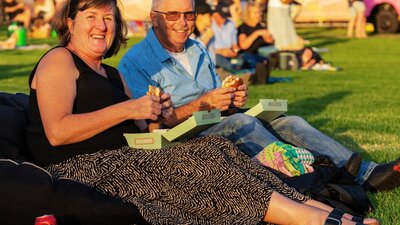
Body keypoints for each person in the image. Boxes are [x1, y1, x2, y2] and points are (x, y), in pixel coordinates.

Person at [27, 0, 382, 224]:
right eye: (91, 16)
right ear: (70, 23)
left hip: (129, 156)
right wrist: (131, 107)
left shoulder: (114, 74)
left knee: (219, 152)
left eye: (108, 18)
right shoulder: (60, 60)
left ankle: (326, 208)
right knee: (207, 168)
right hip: (85, 166)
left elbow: (144, 132)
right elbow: (58, 131)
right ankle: (324, 219)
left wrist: (155, 114)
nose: (102, 26)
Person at [118, 0, 400, 193]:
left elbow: (217, 97)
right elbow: (151, 127)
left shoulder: (198, 49)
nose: (183, 22)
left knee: (290, 122)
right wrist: (204, 104)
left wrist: (232, 97)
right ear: (153, 18)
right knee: (242, 123)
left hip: (218, 121)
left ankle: (366, 173)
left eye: (189, 14)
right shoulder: (136, 62)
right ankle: (308, 180)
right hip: (182, 139)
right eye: (173, 15)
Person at [238, 2, 274, 84]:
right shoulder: (243, 27)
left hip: (257, 55)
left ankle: (263, 77)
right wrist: (256, 34)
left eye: (259, 12)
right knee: (252, 61)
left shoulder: (261, 26)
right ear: (248, 14)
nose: (258, 15)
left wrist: (267, 36)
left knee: (266, 60)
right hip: (245, 56)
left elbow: (270, 41)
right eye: (255, 13)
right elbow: (243, 46)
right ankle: (259, 74)